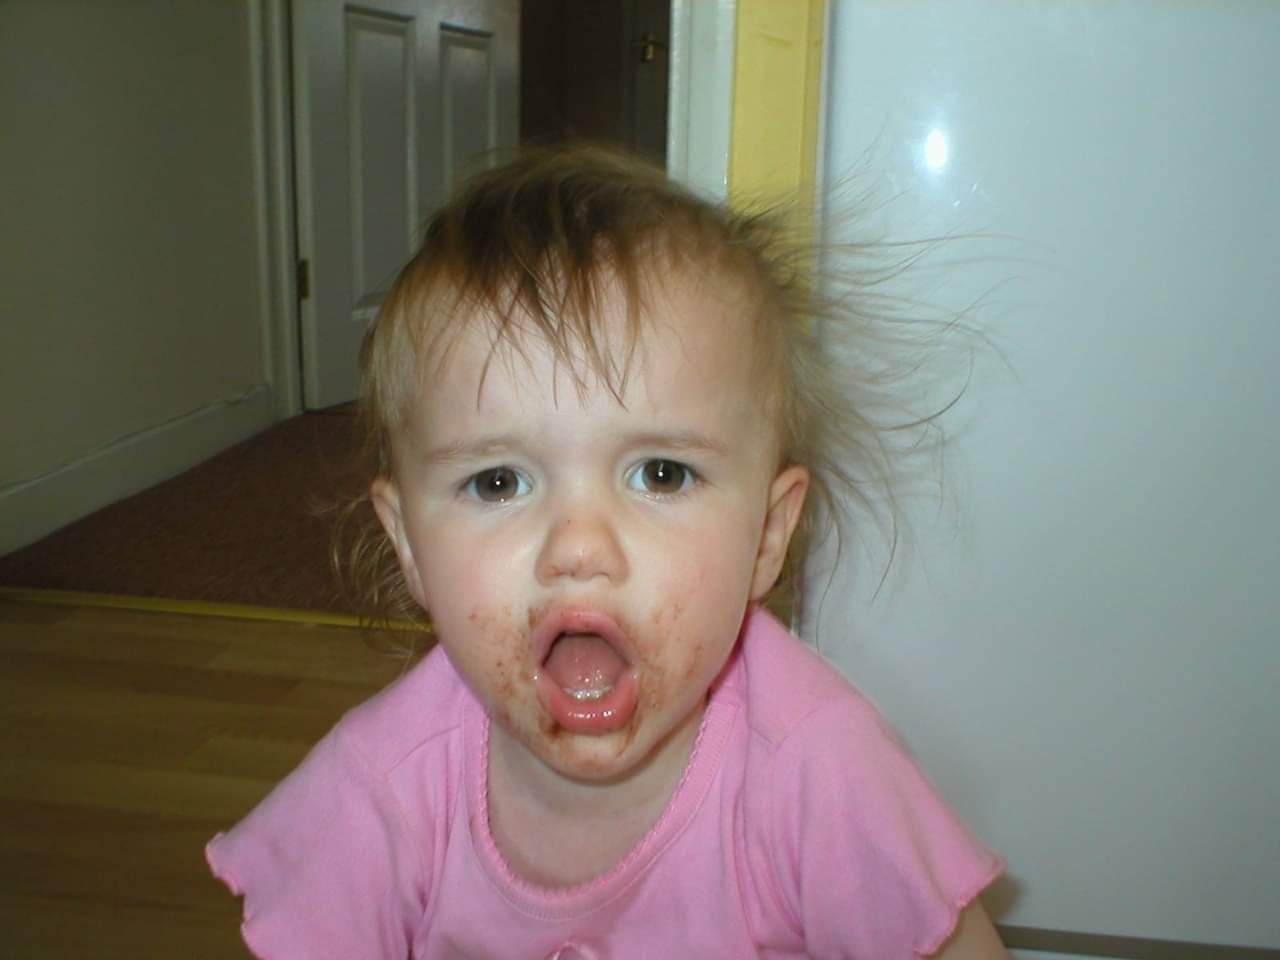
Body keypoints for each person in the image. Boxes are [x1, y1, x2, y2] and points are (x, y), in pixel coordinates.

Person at [207, 146, 1008, 958]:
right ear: (409, 543)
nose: (579, 548)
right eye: (497, 482)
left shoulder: (821, 769)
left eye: (661, 473)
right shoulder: (376, 791)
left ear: (768, 536)